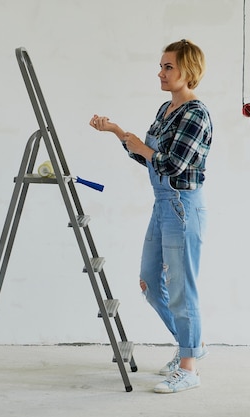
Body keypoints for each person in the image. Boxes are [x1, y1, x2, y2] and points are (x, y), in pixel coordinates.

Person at [89, 39, 212, 394]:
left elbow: (172, 163)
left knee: (181, 288)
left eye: (168, 67)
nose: (160, 73)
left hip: (182, 205)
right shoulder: (166, 109)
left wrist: (142, 148)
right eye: (161, 66)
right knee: (149, 283)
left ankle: (189, 368)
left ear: (188, 71)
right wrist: (115, 131)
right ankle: (193, 346)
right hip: (162, 205)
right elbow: (145, 156)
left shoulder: (196, 114)